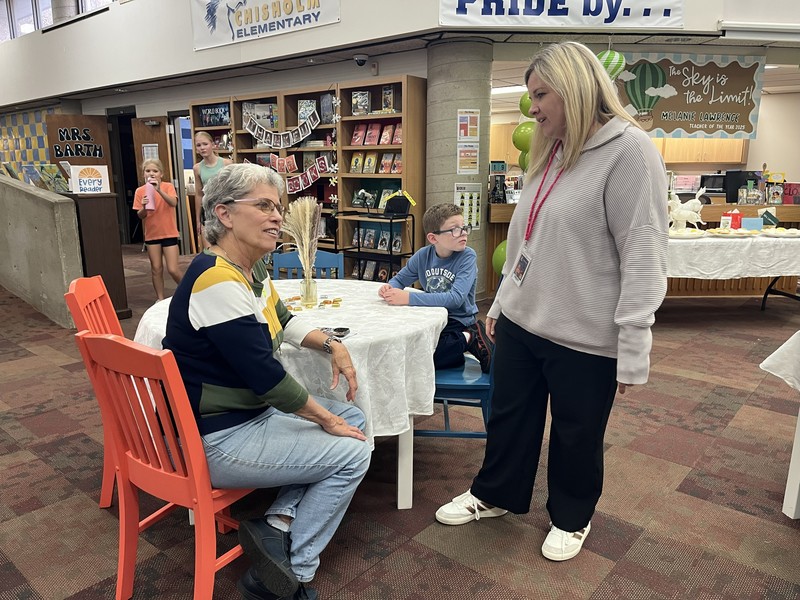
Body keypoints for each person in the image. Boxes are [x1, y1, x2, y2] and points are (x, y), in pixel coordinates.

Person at [435, 41, 668, 562]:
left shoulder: (629, 152)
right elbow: (527, 239)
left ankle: (571, 515)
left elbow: (644, 254)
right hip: (522, 321)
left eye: (540, 95)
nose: (532, 107)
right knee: (510, 418)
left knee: (577, 433)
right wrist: (498, 306)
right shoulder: (554, 148)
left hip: (587, 334)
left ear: (576, 87)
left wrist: (634, 345)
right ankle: (495, 494)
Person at [162, 163, 370, 600]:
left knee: (350, 414)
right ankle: (292, 574)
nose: (278, 216)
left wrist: (332, 344)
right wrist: (323, 420)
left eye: (278, 207)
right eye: (263, 206)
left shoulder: (248, 273)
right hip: (220, 438)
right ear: (224, 214)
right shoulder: (215, 281)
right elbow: (268, 380)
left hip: (244, 421)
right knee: (352, 449)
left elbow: (285, 321)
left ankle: (276, 524)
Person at [377, 203, 492, 373]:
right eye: (455, 229)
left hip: (458, 320)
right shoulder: (423, 255)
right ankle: (454, 352)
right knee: (404, 351)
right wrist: (389, 288)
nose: (464, 233)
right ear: (433, 238)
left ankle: (470, 336)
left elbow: (455, 299)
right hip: (431, 317)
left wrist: (408, 298)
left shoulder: (467, 256)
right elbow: (400, 279)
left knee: (425, 358)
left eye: (464, 227)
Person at [132, 158, 183, 301]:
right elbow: (140, 215)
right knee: (156, 268)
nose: (151, 174)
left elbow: (173, 203)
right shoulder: (140, 191)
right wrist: (143, 207)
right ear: (143, 174)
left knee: (173, 269)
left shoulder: (168, 186)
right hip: (152, 235)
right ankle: (160, 298)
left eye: (155, 171)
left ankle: (188, 291)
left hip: (169, 232)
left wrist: (158, 190)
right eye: (148, 171)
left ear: (161, 173)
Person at [192, 131, 232, 249]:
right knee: (209, 249)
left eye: (205, 144)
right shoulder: (197, 168)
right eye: (199, 145)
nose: (202, 148)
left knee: (226, 246)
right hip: (208, 210)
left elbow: (233, 189)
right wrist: (198, 219)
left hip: (225, 208)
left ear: (212, 145)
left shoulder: (226, 163)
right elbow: (199, 194)